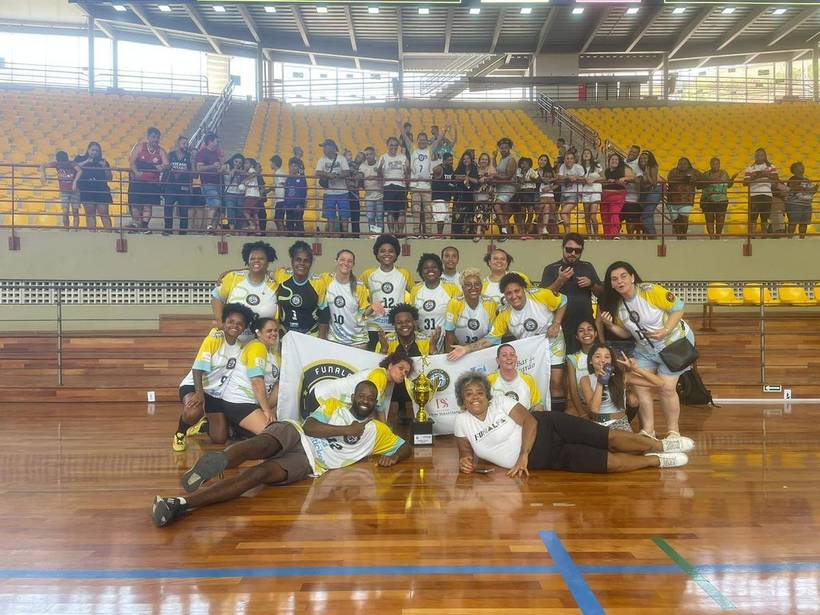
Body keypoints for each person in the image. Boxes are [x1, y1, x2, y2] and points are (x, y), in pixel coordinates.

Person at [153, 380, 410, 527]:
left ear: (376, 401)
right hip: (297, 433)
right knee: (261, 445)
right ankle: (216, 463)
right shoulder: (334, 406)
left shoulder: (378, 430)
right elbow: (310, 426)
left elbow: (405, 446)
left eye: (371, 397)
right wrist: (347, 429)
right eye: (362, 394)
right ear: (353, 396)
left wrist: (395, 456)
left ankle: (182, 504)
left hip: (309, 462)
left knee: (258, 474)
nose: (366, 399)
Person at [453, 372, 691, 479]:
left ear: (487, 395)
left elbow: (530, 421)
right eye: (469, 394)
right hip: (546, 459)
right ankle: (657, 460)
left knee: (609, 438)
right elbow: (466, 452)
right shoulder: (461, 422)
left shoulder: (502, 402)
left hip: (550, 427)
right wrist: (465, 462)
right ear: (461, 399)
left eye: (480, 392)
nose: (475, 397)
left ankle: (663, 444)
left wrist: (522, 455)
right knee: (611, 463)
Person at [598, 261, 695, 442]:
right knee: (640, 386)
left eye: (623, 276)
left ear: (632, 277)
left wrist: (665, 330)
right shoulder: (617, 305)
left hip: (673, 344)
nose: (620, 281)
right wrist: (609, 325)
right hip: (645, 349)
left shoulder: (650, 291)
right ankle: (648, 431)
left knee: (666, 388)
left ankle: (673, 432)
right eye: (614, 279)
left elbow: (678, 308)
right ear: (611, 284)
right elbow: (626, 333)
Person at [448, 273, 568, 411]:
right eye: (508, 293)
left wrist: (556, 323)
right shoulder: (505, 314)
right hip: (531, 350)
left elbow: (563, 300)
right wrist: (466, 349)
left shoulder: (540, 295)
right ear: (504, 296)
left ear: (524, 289)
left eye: (517, 291)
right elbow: (490, 339)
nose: (514, 296)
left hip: (553, 343)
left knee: (555, 382)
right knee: (534, 383)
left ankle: (559, 418)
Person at [172, 302, 254, 451]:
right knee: (193, 412)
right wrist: (199, 393)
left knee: (220, 439)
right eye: (230, 322)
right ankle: (180, 433)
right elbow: (198, 368)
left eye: (240, 323)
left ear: (244, 327)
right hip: (195, 385)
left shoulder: (242, 347)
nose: (234, 326)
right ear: (224, 322)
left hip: (216, 393)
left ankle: (204, 425)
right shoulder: (214, 338)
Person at [541, 232, 603, 354]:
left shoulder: (587, 266)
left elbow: (601, 293)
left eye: (577, 251)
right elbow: (543, 297)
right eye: (569, 250)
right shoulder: (551, 268)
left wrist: (591, 284)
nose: (573, 254)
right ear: (562, 247)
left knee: (588, 359)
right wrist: (560, 280)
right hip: (559, 324)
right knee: (561, 361)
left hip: (585, 323)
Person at [219, 316, 282, 436]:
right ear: (258, 333)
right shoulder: (256, 347)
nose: (274, 333)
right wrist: (267, 411)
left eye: (276, 330)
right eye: (269, 331)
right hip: (239, 402)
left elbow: (278, 386)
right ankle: (237, 426)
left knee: (282, 385)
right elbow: (257, 382)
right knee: (273, 435)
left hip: (255, 403)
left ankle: (240, 430)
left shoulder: (273, 354)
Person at [580, 342, 663, 432]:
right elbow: (594, 409)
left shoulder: (622, 377)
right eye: (597, 356)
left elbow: (659, 383)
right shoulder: (585, 379)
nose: (603, 360)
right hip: (597, 423)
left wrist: (636, 369)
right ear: (590, 361)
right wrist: (600, 382)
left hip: (620, 423)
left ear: (611, 360)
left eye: (607, 357)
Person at [311, 350, 414, 422]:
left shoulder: (382, 378)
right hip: (322, 397)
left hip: (320, 393)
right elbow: (372, 408)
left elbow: (380, 407)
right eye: (400, 368)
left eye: (406, 372)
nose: (403, 373)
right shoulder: (380, 375)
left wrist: (385, 429)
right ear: (390, 365)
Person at [212, 241, 279, 341]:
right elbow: (216, 296)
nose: (256, 261)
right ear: (247, 261)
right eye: (252, 258)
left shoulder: (275, 282)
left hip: (264, 344)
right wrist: (220, 322)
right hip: (234, 343)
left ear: (268, 261)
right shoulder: (234, 278)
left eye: (261, 258)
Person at [361, 234, 413, 350]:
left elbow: (415, 294)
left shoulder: (404, 273)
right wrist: (369, 307)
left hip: (397, 327)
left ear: (396, 254)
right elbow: (358, 296)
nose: (387, 254)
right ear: (377, 254)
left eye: (391, 251)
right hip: (374, 327)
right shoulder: (368, 274)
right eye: (382, 251)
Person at [321, 249, 374, 349]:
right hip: (335, 341)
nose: (345, 263)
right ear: (336, 261)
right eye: (342, 259)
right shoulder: (326, 279)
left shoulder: (359, 286)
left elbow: (363, 313)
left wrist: (372, 308)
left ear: (353, 265)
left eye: (349, 261)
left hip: (357, 341)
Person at [275, 240, 329, 337]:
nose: (302, 263)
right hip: (285, 333)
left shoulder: (318, 283)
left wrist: (321, 340)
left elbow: (324, 313)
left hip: (310, 334)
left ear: (311, 263)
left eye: (306, 261)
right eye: (298, 260)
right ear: (292, 261)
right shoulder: (280, 275)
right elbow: (261, 272)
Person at [409, 253, 460, 351]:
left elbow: (459, 314)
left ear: (440, 270)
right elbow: (413, 317)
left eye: (434, 267)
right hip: (422, 340)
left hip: (446, 340)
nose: (430, 270)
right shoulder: (416, 289)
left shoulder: (451, 288)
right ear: (421, 271)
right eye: (426, 268)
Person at [404, 126, 446, 237]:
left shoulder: (429, 150)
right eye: (420, 139)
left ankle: (428, 233)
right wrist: (400, 125)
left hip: (427, 186)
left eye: (424, 139)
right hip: (415, 186)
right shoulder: (413, 150)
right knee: (416, 210)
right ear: (417, 140)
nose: (422, 141)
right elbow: (405, 138)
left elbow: (438, 140)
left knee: (428, 211)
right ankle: (416, 233)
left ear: (427, 140)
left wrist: (445, 129)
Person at [444, 267, 497, 350]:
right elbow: (449, 333)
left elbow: (493, 334)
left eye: (477, 284)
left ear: (481, 286)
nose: (473, 288)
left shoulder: (490, 303)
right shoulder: (454, 303)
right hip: (459, 348)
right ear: (462, 288)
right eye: (468, 285)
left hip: (483, 348)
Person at [127, 127, 168, 233]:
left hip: (152, 183)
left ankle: (145, 225)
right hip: (137, 182)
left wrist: (162, 167)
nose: (156, 140)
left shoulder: (161, 151)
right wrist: (136, 173)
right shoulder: (140, 147)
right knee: (135, 204)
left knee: (148, 205)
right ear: (148, 137)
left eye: (157, 138)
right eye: (153, 137)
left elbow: (166, 164)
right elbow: (132, 162)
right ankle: (136, 224)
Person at [488, 344, 545, 412]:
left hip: (524, 421)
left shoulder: (528, 379)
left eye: (512, 355)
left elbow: (538, 405)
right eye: (504, 355)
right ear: (497, 360)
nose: (509, 358)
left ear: (516, 358)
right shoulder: (488, 380)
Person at [74, 141, 113, 231]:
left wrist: (105, 168)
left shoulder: (103, 162)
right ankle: (92, 235)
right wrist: (87, 161)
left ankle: (109, 233)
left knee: (104, 213)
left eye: (97, 151)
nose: (94, 152)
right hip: (86, 190)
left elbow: (110, 178)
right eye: (93, 150)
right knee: (90, 213)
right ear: (88, 150)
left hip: (101, 190)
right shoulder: (80, 158)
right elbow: (74, 167)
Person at [315, 138, 351, 236]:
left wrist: (336, 175)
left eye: (325, 147)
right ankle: (331, 236)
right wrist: (328, 174)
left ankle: (345, 236)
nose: (323, 149)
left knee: (345, 216)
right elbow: (317, 173)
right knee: (330, 217)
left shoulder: (341, 158)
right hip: (329, 193)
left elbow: (347, 172)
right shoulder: (321, 160)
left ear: (331, 147)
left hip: (343, 192)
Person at [40, 150, 82, 230]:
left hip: (74, 191)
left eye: (64, 162)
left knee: (75, 212)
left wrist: (75, 181)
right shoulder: (57, 164)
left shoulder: (71, 163)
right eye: (61, 162)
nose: (63, 164)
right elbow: (43, 165)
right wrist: (43, 174)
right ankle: (66, 229)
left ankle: (76, 230)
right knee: (65, 212)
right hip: (64, 191)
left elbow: (79, 170)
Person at [742, 148, 778, 237]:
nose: (759, 157)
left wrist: (765, 174)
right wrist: (756, 176)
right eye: (757, 155)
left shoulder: (771, 166)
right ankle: (752, 235)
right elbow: (744, 183)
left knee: (764, 217)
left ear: (765, 156)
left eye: (761, 155)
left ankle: (764, 234)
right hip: (754, 195)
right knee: (753, 217)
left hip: (767, 194)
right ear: (754, 157)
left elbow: (776, 178)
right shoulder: (750, 168)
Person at [697, 157, 736, 239]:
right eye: (713, 163)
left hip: (721, 200)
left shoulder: (724, 173)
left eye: (716, 163)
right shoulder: (705, 174)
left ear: (719, 164)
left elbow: (728, 185)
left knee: (720, 219)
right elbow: (698, 186)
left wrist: (732, 179)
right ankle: (711, 237)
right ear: (710, 164)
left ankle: (718, 236)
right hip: (707, 200)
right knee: (709, 219)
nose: (715, 165)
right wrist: (709, 181)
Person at [566, 320, 598, 417]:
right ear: (576, 337)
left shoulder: (604, 354)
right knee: (569, 413)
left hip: (604, 402)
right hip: (584, 404)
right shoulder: (573, 358)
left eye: (590, 329)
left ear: (596, 333)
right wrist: (582, 413)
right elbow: (573, 389)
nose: (586, 333)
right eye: (581, 330)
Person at [161, 136, 192, 235]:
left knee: (184, 211)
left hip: (184, 187)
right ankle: (168, 230)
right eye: (184, 143)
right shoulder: (170, 155)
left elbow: (194, 173)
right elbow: (165, 169)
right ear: (178, 144)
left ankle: (183, 232)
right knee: (168, 208)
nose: (186, 145)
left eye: (187, 144)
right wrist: (162, 186)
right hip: (171, 187)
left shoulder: (189, 156)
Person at [377, 137, 408, 235]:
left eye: (395, 145)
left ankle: (399, 233)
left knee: (402, 211)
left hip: (401, 186)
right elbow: (378, 173)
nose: (393, 147)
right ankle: (391, 232)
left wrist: (407, 169)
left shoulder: (403, 157)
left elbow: (408, 172)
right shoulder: (383, 157)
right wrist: (380, 168)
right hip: (388, 186)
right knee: (390, 212)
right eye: (391, 145)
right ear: (387, 146)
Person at [195, 133, 224, 233]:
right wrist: (213, 166)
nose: (218, 143)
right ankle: (209, 225)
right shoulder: (202, 153)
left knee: (216, 204)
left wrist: (221, 168)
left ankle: (212, 227)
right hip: (208, 183)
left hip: (218, 183)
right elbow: (199, 168)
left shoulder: (217, 154)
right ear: (210, 141)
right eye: (216, 141)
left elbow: (220, 167)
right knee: (214, 202)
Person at [666, 157, 699, 240]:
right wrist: (684, 179)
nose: (682, 165)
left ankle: (684, 235)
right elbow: (670, 179)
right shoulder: (673, 171)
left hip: (687, 199)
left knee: (684, 218)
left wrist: (693, 179)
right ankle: (678, 236)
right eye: (680, 163)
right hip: (673, 200)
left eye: (684, 163)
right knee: (676, 220)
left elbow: (702, 179)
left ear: (688, 164)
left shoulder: (693, 171)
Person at [601, 152, 630, 240]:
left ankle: (614, 234)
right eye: (612, 159)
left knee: (614, 214)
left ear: (619, 161)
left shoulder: (623, 169)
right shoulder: (606, 171)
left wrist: (623, 179)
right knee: (605, 216)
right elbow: (603, 179)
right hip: (605, 197)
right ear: (609, 161)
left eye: (616, 159)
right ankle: (607, 236)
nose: (614, 161)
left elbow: (632, 177)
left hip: (617, 196)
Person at [492, 137, 517, 241]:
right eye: (501, 148)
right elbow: (496, 170)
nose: (503, 150)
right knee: (503, 214)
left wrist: (494, 176)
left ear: (509, 148)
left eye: (505, 148)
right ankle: (508, 235)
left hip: (508, 188)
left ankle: (503, 230)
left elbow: (508, 176)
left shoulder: (511, 159)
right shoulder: (501, 159)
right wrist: (493, 158)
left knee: (496, 206)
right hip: (499, 188)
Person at [785, 162, 818, 239]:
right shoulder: (792, 179)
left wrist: (816, 187)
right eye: (799, 167)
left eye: (802, 167)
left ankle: (802, 240)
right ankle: (789, 240)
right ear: (794, 170)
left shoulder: (807, 180)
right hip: (795, 205)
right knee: (793, 223)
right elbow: (796, 188)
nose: (802, 168)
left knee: (804, 224)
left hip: (806, 205)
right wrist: (808, 189)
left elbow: (811, 192)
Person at [452, 151, 479, 239]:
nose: (465, 160)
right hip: (459, 196)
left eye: (467, 158)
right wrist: (463, 178)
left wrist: (468, 178)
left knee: (468, 216)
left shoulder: (475, 168)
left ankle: (468, 236)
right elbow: (454, 177)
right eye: (464, 159)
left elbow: (476, 181)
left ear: (471, 160)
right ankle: (457, 236)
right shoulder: (460, 168)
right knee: (457, 217)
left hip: (470, 196)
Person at [557, 150, 585, 234]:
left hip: (574, 194)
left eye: (571, 158)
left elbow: (583, 178)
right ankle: (567, 234)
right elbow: (560, 177)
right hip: (564, 194)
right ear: (564, 159)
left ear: (574, 160)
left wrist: (575, 177)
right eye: (567, 158)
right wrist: (569, 177)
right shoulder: (562, 166)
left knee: (563, 213)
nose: (569, 160)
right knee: (566, 215)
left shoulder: (578, 167)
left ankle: (569, 233)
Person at [638, 150, 662, 238]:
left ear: (649, 159)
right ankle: (649, 237)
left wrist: (647, 175)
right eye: (641, 158)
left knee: (646, 216)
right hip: (647, 191)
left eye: (645, 158)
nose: (642, 159)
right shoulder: (641, 168)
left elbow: (654, 183)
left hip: (655, 190)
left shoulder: (652, 167)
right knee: (648, 216)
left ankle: (653, 237)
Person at [360, 146, 384, 235]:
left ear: (374, 154)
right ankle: (373, 235)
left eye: (370, 154)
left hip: (380, 195)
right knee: (370, 217)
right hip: (368, 196)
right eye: (366, 155)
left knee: (380, 217)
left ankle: (380, 236)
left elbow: (383, 177)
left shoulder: (379, 165)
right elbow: (360, 178)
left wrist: (374, 177)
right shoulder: (362, 166)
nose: (368, 156)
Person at [472, 152, 495, 241]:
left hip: (487, 195)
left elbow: (493, 178)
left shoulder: (491, 169)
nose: (484, 161)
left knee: (484, 214)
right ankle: (478, 233)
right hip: (478, 194)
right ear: (479, 160)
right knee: (478, 212)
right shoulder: (476, 170)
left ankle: (480, 233)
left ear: (488, 161)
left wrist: (486, 178)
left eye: (486, 159)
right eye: (482, 159)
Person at [515, 157, 540, 239]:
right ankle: (523, 231)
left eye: (526, 163)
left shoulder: (532, 171)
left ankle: (526, 228)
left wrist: (532, 178)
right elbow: (520, 181)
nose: (524, 165)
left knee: (530, 212)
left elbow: (537, 180)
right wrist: (524, 174)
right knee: (522, 212)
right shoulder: (519, 171)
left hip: (530, 193)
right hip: (522, 193)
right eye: (522, 163)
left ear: (529, 164)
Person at [579, 148, 602, 238]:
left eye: (588, 153)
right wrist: (584, 179)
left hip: (595, 191)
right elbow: (578, 178)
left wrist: (594, 179)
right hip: (585, 192)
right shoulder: (580, 167)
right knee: (587, 215)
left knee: (593, 215)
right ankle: (589, 235)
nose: (586, 154)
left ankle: (596, 235)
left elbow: (604, 177)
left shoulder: (597, 166)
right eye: (584, 153)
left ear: (591, 155)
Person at [622, 145, 642, 237]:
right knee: (620, 219)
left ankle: (631, 240)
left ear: (638, 155)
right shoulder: (622, 161)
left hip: (633, 198)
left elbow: (639, 178)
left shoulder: (638, 165)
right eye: (631, 151)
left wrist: (627, 179)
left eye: (635, 152)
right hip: (621, 197)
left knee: (630, 221)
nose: (632, 153)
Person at [283, 157, 307, 235]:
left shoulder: (301, 178)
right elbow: (286, 192)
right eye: (291, 166)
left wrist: (300, 204)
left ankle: (300, 238)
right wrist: (285, 204)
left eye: (295, 166)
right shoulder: (288, 179)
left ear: (298, 167)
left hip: (297, 205)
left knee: (298, 222)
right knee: (289, 223)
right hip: (289, 205)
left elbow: (303, 193)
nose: (293, 168)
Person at [223, 153, 246, 231]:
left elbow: (247, 174)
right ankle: (232, 228)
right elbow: (220, 171)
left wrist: (236, 170)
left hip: (240, 193)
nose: (237, 164)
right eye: (236, 162)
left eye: (240, 163)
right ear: (232, 161)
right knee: (230, 210)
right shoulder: (226, 166)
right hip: (229, 192)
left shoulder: (242, 169)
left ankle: (238, 230)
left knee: (239, 211)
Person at [344, 149, 364, 238]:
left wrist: (356, 177)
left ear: (363, 160)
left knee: (355, 216)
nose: (356, 157)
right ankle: (343, 234)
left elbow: (361, 179)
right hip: (347, 192)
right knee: (344, 215)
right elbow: (348, 174)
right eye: (357, 155)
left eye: (359, 157)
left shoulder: (363, 167)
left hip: (355, 194)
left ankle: (356, 235)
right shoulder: (350, 163)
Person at [537, 154, 557, 237]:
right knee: (545, 208)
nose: (543, 161)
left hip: (549, 195)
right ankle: (542, 230)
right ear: (538, 160)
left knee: (547, 207)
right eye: (541, 159)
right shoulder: (535, 171)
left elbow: (557, 182)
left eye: (545, 160)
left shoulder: (550, 171)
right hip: (538, 196)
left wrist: (549, 187)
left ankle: (544, 230)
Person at [266, 155, 287, 233]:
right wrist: (270, 189)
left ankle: (282, 233)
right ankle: (282, 232)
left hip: (281, 200)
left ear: (274, 163)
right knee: (277, 218)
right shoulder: (278, 172)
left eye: (271, 163)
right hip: (280, 199)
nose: (270, 164)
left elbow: (283, 183)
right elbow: (279, 186)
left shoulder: (279, 172)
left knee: (278, 218)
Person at [242, 158, 263, 233]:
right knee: (254, 212)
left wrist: (245, 180)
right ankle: (258, 229)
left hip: (251, 194)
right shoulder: (249, 171)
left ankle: (252, 224)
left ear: (252, 165)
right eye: (244, 163)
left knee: (245, 211)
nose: (245, 165)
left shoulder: (251, 170)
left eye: (246, 163)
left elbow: (254, 174)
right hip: (255, 194)